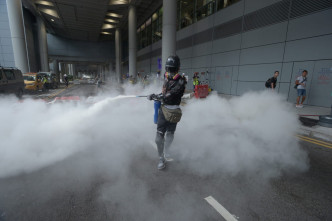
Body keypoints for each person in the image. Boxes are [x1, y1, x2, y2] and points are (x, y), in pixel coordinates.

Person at [147, 55, 186, 170]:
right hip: (163, 112)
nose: (170, 72)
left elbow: (171, 94)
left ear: (177, 69)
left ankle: (167, 151)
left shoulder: (181, 81)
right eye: (169, 69)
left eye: (172, 69)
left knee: (170, 134)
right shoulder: (166, 78)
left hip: (173, 112)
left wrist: (157, 96)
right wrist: (154, 95)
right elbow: (164, 92)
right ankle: (161, 158)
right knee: (158, 138)